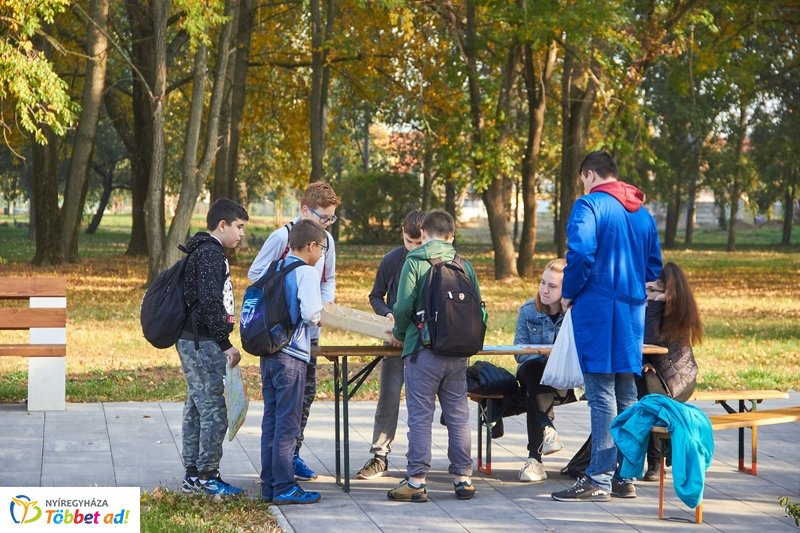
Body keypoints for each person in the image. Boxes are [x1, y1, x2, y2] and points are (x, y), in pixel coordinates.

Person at [551, 150, 662, 502]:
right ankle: (624, 476)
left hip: (597, 308)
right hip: (631, 311)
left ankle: (597, 478)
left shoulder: (589, 206)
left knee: (600, 394)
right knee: (627, 392)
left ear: (588, 174)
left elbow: (581, 254)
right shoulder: (643, 213)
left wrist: (568, 292)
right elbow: (654, 266)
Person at [248, 182, 341, 482]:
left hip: (308, 333)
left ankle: (291, 456)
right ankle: (280, 470)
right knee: (283, 406)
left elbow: (328, 280)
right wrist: (288, 294)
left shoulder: (325, 242)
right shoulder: (282, 238)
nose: (326, 225)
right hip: (281, 335)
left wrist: (322, 303)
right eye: (323, 217)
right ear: (304, 211)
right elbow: (256, 275)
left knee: (305, 395)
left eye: (331, 219)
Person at [387, 209, 480, 502]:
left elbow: (402, 308)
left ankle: (416, 481)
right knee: (458, 415)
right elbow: (479, 307)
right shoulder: (465, 265)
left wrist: (401, 334)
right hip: (458, 353)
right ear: (451, 235)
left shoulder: (415, 261)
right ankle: (463, 478)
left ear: (424, 233)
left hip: (422, 350)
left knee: (420, 416)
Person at [178, 198, 248, 496]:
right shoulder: (209, 255)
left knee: (197, 407)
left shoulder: (204, 250)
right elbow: (209, 303)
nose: (241, 234)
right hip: (202, 341)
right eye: (239, 227)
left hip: (195, 338)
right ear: (223, 225)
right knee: (214, 410)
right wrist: (225, 343)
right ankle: (207, 475)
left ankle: (193, 474)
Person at [259, 219, 326, 505]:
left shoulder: (276, 266)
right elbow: (311, 313)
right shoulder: (306, 273)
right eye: (322, 248)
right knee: (288, 423)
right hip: (292, 354)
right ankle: (285, 486)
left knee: (271, 421)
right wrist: (322, 314)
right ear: (311, 245)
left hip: (269, 353)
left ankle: (269, 484)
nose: (322, 254)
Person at [356, 209, 426, 480]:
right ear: (402, 235)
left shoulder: (434, 261)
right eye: (410, 243)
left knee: (422, 405)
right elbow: (376, 296)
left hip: (424, 345)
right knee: (388, 399)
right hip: (395, 343)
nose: (414, 248)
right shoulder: (392, 260)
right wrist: (386, 313)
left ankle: (420, 460)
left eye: (420, 244)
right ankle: (379, 456)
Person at [638, 261, 702, 481]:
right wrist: (645, 361)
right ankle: (656, 458)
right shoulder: (646, 311)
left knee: (653, 400)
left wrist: (656, 304)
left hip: (679, 382)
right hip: (656, 378)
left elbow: (652, 341)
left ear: (669, 293)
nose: (648, 295)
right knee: (645, 391)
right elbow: (641, 347)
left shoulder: (680, 316)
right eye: (646, 290)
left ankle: (655, 463)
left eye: (654, 290)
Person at [514, 258, 568, 482]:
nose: (544, 289)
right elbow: (519, 352)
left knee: (532, 389)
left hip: (565, 380)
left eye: (552, 286)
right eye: (542, 282)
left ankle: (535, 460)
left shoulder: (575, 314)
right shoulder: (528, 310)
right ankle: (547, 431)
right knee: (534, 370)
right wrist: (543, 356)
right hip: (534, 373)